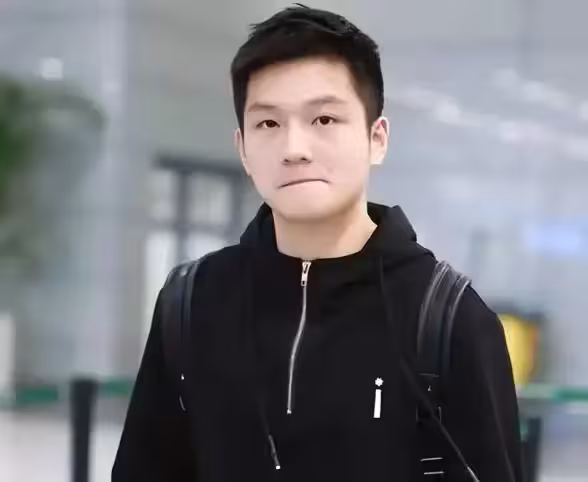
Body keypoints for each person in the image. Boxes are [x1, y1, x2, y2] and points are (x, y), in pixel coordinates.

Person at [112, 5, 523, 482]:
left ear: (377, 138)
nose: (294, 149)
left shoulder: (448, 319)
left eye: (324, 119)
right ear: (243, 148)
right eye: (268, 124)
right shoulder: (192, 302)